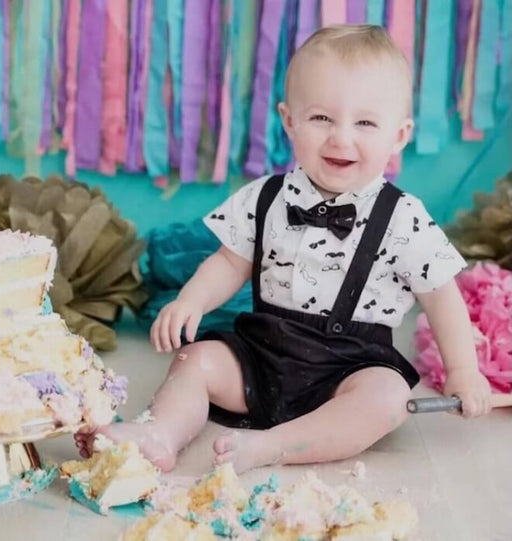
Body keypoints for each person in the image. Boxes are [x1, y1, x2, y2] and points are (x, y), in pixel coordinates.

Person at [80, 24, 491, 474]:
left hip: (350, 366)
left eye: (366, 123)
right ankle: (160, 433)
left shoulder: (404, 218)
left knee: (388, 397)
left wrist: (464, 372)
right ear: (288, 120)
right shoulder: (265, 196)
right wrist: (190, 300)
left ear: (399, 135)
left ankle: (273, 445)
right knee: (195, 360)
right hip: (264, 352)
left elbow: (441, 297)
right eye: (321, 118)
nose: (340, 137)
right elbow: (229, 262)